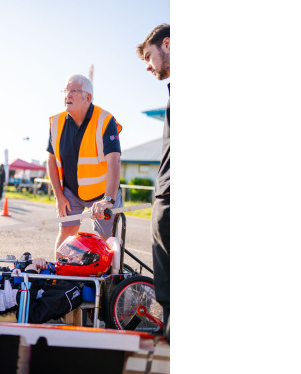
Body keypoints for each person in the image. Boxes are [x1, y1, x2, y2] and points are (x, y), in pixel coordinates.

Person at [46, 74, 123, 258]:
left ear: (88, 97)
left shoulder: (105, 120)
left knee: (108, 242)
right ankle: (59, 278)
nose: (68, 95)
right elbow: (51, 160)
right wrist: (59, 196)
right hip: (72, 191)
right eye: (66, 90)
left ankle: (108, 283)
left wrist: (108, 199)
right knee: (66, 235)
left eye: (73, 91)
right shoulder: (56, 122)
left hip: (102, 192)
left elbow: (114, 160)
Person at [136, 23, 170, 341]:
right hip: (165, 201)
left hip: (172, 202)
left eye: (149, 56)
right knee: (167, 292)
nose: (148, 66)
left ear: (168, 45)